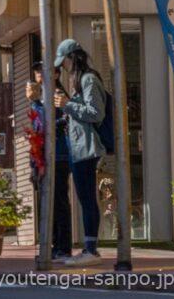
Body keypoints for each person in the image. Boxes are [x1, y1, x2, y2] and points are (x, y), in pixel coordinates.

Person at [53, 39, 107, 267]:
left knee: (87, 199)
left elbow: (96, 113)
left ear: (72, 57)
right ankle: (89, 247)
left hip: (86, 147)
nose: (63, 66)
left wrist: (67, 104)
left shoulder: (88, 79)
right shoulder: (79, 81)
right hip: (78, 147)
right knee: (85, 199)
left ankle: (91, 249)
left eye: (64, 61)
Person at [27, 60, 72, 262]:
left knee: (58, 201)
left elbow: (50, 125)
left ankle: (62, 247)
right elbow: (37, 127)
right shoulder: (40, 98)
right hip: (41, 155)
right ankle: (53, 245)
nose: (39, 74)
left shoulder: (58, 96)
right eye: (37, 71)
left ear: (55, 75)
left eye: (43, 71)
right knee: (47, 201)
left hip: (58, 155)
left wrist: (36, 102)